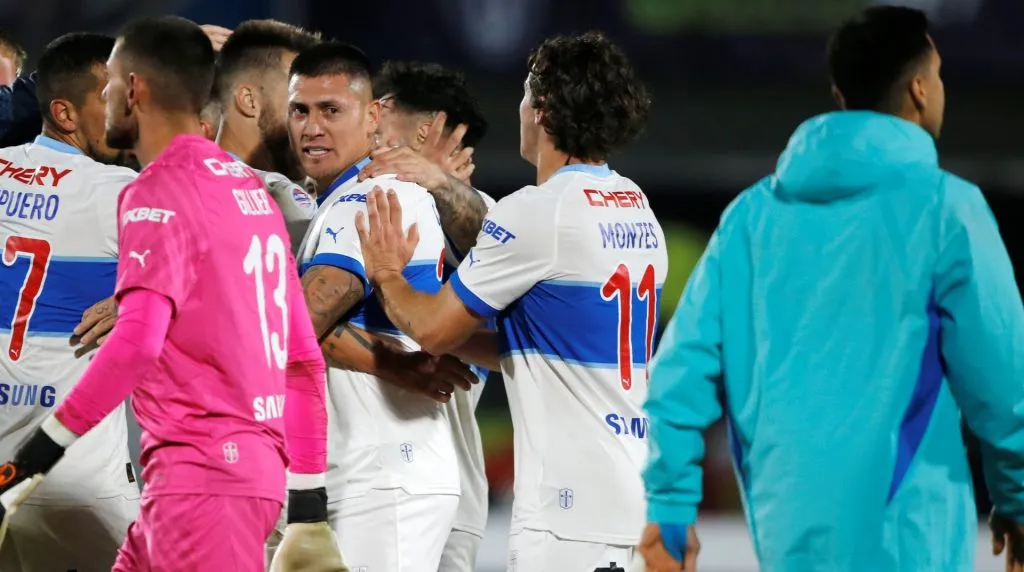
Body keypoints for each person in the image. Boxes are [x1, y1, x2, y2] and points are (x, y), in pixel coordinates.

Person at [638, 6, 1024, 572]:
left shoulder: (749, 218)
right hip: (908, 540)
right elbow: (1005, 382)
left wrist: (670, 507)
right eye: (939, 74)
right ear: (920, 88)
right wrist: (1017, 499)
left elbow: (679, 371)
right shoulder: (949, 210)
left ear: (841, 93)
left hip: (786, 535)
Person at [0, 16, 338, 571]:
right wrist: (307, 505)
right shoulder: (251, 190)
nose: (107, 96)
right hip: (227, 477)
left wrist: (34, 459)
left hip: (200, 482)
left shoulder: (154, 188)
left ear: (133, 90)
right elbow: (302, 361)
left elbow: (137, 343)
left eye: (110, 84)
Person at [352, 31, 659, 571]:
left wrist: (386, 272)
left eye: (523, 94)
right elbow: (545, 344)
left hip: (569, 514)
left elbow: (432, 328)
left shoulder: (540, 210)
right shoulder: (635, 205)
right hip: (634, 489)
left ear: (542, 109)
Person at [288, 42, 469, 572]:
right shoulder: (340, 198)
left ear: (373, 117)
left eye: (331, 110)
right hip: (375, 470)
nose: (312, 128)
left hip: (384, 475)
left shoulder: (369, 195)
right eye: (300, 111)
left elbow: (295, 324)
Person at [0, 32, 139, 572]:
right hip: (73, 481)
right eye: (112, 97)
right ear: (64, 113)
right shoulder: (120, 191)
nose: (127, 112)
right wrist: (143, 296)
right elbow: (225, 279)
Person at [361, 60, 493, 572]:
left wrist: (438, 185)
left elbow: (492, 238)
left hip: (443, 486)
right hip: (356, 477)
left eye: (378, 110)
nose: (368, 123)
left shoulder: (477, 213)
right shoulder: (347, 197)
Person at [215, 19, 321, 252]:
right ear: (249, 101)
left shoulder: (325, 188)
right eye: (299, 104)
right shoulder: (192, 196)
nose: (317, 124)